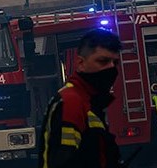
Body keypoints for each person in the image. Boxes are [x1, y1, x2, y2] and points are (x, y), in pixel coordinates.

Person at [37, 28, 123, 168]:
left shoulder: (89, 101)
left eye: (115, 63)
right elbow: (63, 160)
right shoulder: (72, 102)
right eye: (103, 61)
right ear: (80, 63)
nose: (111, 68)